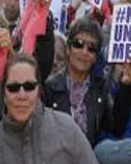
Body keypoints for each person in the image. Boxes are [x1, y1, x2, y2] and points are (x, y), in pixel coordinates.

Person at [42, 18, 114, 146]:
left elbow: (116, 127)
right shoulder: (49, 87)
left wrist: (127, 86)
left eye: (91, 48)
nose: (84, 52)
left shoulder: (101, 89)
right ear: (68, 49)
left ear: (95, 57)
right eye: (79, 44)